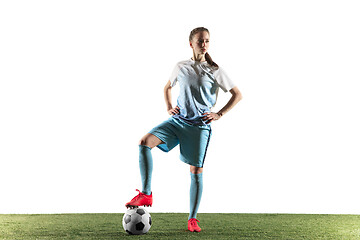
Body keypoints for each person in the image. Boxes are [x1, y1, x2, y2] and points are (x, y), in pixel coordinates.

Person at [125, 27, 242, 232]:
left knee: (196, 172)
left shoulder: (215, 70)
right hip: (177, 122)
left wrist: (219, 114)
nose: (204, 44)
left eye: (206, 41)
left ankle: (192, 219)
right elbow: (167, 87)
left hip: (199, 128)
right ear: (191, 43)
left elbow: (237, 94)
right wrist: (169, 107)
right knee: (144, 143)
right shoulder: (181, 66)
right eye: (200, 41)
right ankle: (146, 193)